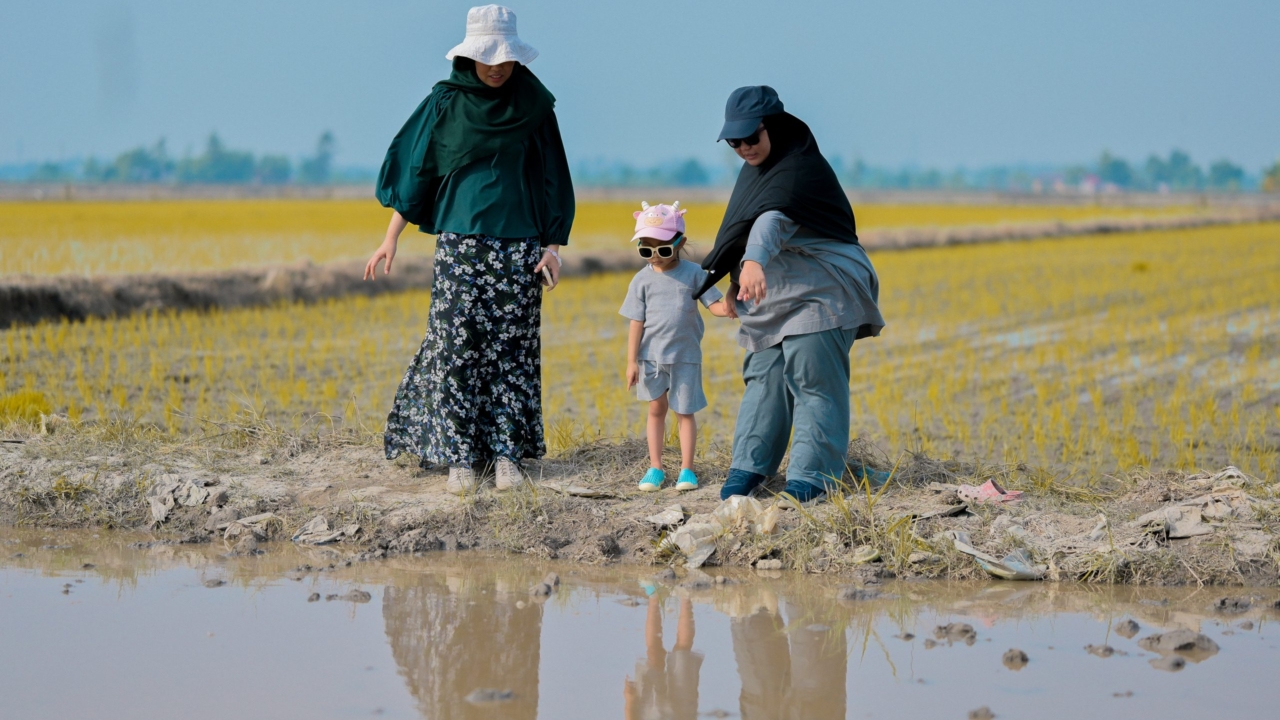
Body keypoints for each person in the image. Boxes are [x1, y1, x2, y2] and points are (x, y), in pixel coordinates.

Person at [365, 5, 574, 495]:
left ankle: (506, 457)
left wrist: (552, 246)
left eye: (504, 58)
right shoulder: (445, 103)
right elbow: (419, 171)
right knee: (455, 348)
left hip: (520, 246)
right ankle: (459, 457)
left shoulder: (535, 107)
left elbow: (553, 178)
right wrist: (391, 236)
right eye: (487, 58)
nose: (496, 67)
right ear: (469, 56)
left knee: (511, 351)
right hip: (460, 245)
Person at [697, 86, 885, 504]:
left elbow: (771, 222)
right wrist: (736, 281)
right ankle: (749, 467)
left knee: (811, 374)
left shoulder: (799, 169)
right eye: (734, 142)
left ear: (775, 128)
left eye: (751, 137)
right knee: (763, 377)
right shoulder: (755, 173)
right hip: (775, 293)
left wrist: (754, 262)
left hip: (823, 289)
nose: (744, 148)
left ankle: (811, 477)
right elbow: (741, 231)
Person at [620, 202, 732, 492]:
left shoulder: (695, 274)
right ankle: (655, 467)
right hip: (651, 359)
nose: (655, 256)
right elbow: (636, 322)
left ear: (680, 243)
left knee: (684, 412)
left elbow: (715, 306)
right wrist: (631, 362)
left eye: (663, 248)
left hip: (686, 357)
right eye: (646, 250)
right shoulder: (641, 280)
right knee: (656, 409)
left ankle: (687, 470)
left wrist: (732, 305)